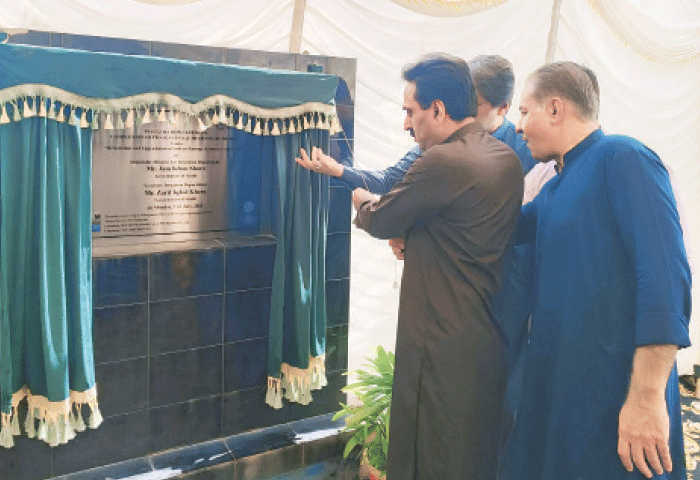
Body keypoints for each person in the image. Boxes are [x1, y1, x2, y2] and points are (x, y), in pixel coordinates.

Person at [499, 61, 691, 480]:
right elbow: (499, 232)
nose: (518, 126)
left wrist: (646, 397)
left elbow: (664, 278)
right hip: (567, 391)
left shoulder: (623, 158)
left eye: (525, 112)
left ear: (555, 108)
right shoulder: (554, 188)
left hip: (618, 394)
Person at [350, 53, 523, 480]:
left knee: (429, 457)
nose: (405, 124)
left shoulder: (443, 161)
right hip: (484, 338)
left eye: (409, 111)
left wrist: (361, 199)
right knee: (471, 456)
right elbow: (466, 235)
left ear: (439, 110)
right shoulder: (505, 159)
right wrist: (420, 240)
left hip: (438, 343)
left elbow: (384, 217)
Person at [296, 55, 537, 193]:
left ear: (504, 107)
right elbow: (390, 180)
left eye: (477, 105)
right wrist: (337, 170)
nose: (466, 111)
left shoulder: (526, 151)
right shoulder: (439, 139)